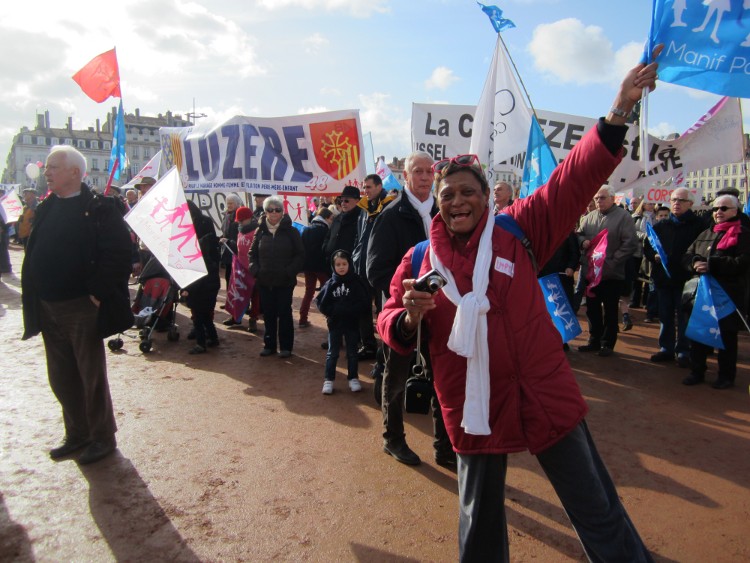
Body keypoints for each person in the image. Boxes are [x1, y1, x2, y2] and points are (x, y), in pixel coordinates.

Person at [377, 50, 660, 562]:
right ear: (437, 204)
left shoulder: (518, 228)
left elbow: (571, 181)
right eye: (448, 196)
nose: (457, 201)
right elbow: (388, 319)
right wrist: (410, 316)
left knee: (594, 504)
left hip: (542, 389)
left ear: (486, 197)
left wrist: (618, 111)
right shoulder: (420, 258)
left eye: (467, 192)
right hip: (470, 403)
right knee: (480, 521)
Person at [21, 145, 133, 465]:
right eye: (47, 169)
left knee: (90, 375)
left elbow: (119, 255)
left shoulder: (100, 207)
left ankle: (101, 437)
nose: (47, 172)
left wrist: (97, 293)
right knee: (61, 375)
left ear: (74, 172)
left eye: (53, 167)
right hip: (47, 305)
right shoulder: (46, 207)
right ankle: (77, 432)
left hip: (81, 307)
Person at [367, 151, 453, 468]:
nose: (425, 176)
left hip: (438, 313)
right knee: (396, 380)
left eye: (430, 171)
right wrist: (410, 286)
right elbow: (374, 269)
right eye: (417, 171)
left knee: (441, 380)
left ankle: (444, 448)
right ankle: (393, 439)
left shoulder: (445, 212)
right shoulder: (390, 216)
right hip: (402, 310)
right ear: (405, 176)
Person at [682, 194, 749, 389]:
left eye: (723, 208)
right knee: (700, 333)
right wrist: (695, 263)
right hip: (703, 294)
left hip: (728, 295)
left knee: (727, 337)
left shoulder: (743, 234)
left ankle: (726, 376)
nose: (718, 212)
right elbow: (687, 254)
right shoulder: (706, 233)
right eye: (715, 209)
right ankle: (697, 371)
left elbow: (743, 262)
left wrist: (712, 264)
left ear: (735, 211)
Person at [643, 188, 705, 368]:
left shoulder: (699, 226)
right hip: (663, 279)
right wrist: (653, 255)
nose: (676, 203)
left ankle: (683, 351)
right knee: (665, 315)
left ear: (690, 204)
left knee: (684, 317)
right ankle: (666, 348)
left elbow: (700, 250)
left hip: (686, 280)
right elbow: (648, 245)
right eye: (673, 200)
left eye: (680, 200)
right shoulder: (661, 225)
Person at [577, 185, 638, 357]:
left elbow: (630, 243)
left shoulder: (623, 217)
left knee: (610, 309)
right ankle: (594, 339)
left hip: (612, 273)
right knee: (592, 308)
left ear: (612, 198)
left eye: (602, 197)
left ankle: (608, 343)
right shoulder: (589, 217)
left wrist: (612, 261)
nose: (598, 201)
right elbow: (579, 234)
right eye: (596, 198)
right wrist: (583, 242)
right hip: (591, 273)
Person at [249, 195, 305, 358]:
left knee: (284, 314)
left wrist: (289, 271)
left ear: (282, 212)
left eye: (277, 210)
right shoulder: (260, 231)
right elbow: (252, 254)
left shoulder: (291, 231)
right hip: (265, 280)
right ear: (265, 212)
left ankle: (286, 347)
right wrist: (256, 270)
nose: (274, 213)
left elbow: (300, 255)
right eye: (270, 210)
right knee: (269, 314)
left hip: (285, 281)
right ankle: (269, 345)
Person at [352, 175, 396, 360]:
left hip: (381, 269)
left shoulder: (390, 206)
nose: (366, 191)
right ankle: (368, 345)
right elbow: (360, 236)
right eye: (364, 187)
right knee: (362, 308)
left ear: (379, 186)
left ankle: (384, 351)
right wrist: (356, 255)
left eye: (369, 187)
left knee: (383, 310)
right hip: (362, 266)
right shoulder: (363, 208)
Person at [316, 250, 370, 394]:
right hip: (335, 325)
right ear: (333, 266)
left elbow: (364, 302)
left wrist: (351, 310)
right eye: (338, 264)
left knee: (352, 353)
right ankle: (329, 379)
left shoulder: (356, 282)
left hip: (352, 324)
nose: (341, 267)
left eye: (344, 264)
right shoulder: (330, 283)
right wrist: (332, 312)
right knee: (332, 353)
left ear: (349, 264)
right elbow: (321, 302)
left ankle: (353, 378)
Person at [180, 201, 221, 354]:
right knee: (205, 316)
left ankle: (201, 343)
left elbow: (196, 277)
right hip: (208, 284)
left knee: (199, 317)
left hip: (199, 286)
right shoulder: (208, 255)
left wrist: (186, 289)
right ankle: (212, 338)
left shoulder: (198, 257)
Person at [299, 207, 333, 328]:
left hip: (308, 266)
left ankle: (303, 318)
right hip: (321, 266)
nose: (331, 221)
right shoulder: (325, 231)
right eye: (331, 218)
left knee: (309, 292)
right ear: (326, 218)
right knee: (328, 292)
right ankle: (330, 318)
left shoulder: (307, 229)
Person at [219, 194, 242, 311]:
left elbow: (239, 236)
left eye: (231, 203)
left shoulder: (238, 218)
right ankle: (230, 301)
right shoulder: (226, 216)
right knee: (228, 278)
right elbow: (224, 232)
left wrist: (228, 240)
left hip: (236, 252)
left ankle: (238, 303)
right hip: (227, 251)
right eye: (228, 203)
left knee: (236, 279)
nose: (229, 205)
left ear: (237, 204)